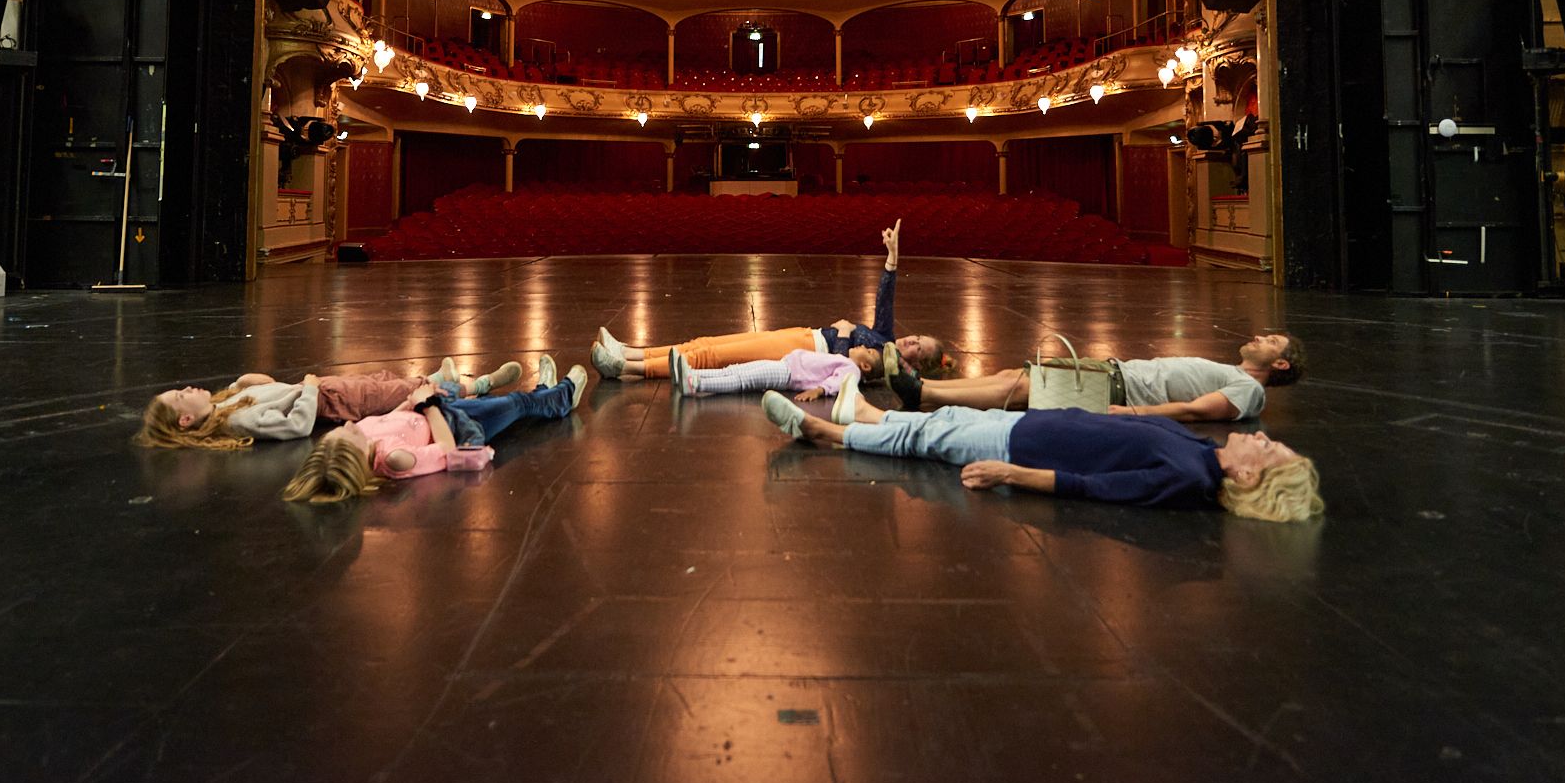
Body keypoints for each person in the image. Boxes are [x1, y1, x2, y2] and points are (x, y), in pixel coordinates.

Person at [759, 392, 1322, 522]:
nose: (1262, 437)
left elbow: (1092, 486)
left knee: (924, 442)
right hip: (1033, 425)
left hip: (1018, 448)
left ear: (1248, 476)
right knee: (942, 420)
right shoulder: (1201, 449)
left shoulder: (1187, 477)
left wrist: (1014, 475)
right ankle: (865, 416)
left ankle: (822, 433)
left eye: (1269, 449)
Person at [590, 221, 952, 383]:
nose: (912, 340)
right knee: (705, 345)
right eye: (918, 336)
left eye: (919, 348)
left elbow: (847, 369)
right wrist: (892, 258)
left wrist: (843, 336)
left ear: (916, 364)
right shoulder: (886, 339)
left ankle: (626, 370)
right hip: (804, 335)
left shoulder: (887, 370)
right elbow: (885, 299)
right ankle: (630, 352)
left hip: (805, 351)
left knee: (709, 359)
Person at [282, 356, 589, 503]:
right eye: (348, 432)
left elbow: (391, 418)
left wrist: (414, 399)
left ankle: (534, 389)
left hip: (434, 410)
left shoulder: (366, 437)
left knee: (452, 389)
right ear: (355, 454)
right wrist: (426, 405)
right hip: (456, 426)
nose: (349, 424)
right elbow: (446, 450)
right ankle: (562, 397)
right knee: (513, 405)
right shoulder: (394, 459)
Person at [889, 332, 1302, 422]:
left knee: (1023, 390)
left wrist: (1134, 413)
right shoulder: (1235, 372)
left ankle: (921, 388)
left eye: (1272, 341)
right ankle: (925, 395)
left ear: (1280, 364)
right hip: (1116, 372)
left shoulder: (1248, 389)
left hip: (1120, 388)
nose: (1261, 337)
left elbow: (1198, 410)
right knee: (1014, 375)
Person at [134, 357, 523, 451]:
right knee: (395, 395)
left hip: (325, 389)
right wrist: (307, 387)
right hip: (326, 400)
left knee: (384, 383)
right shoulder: (238, 422)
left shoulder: (229, 403)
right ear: (185, 420)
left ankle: (444, 379)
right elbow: (296, 426)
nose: (187, 387)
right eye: (182, 396)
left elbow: (266, 388)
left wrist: (244, 382)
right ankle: (476, 387)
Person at [670, 345, 863, 421]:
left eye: (869, 352)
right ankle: (691, 373)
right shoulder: (846, 361)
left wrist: (820, 390)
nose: (864, 346)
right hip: (784, 366)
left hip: (788, 373)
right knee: (734, 370)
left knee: (741, 380)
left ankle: (695, 384)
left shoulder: (853, 369)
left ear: (866, 366)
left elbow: (840, 382)